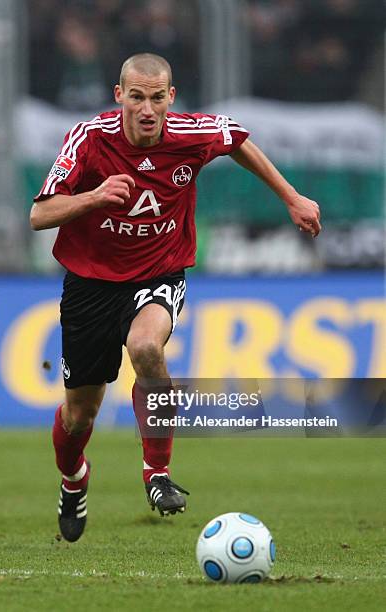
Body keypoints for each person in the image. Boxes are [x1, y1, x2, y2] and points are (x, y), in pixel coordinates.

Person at [30, 53, 321, 543]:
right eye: (137, 97)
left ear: (171, 96)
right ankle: (74, 479)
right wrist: (95, 197)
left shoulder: (190, 134)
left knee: (146, 347)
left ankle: (157, 474)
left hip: (158, 271)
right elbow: (40, 215)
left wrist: (291, 197)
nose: (147, 109)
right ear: (119, 95)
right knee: (80, 415)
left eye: (157, 97)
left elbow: (238, 140)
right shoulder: (88, 139)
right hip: (91, 283)